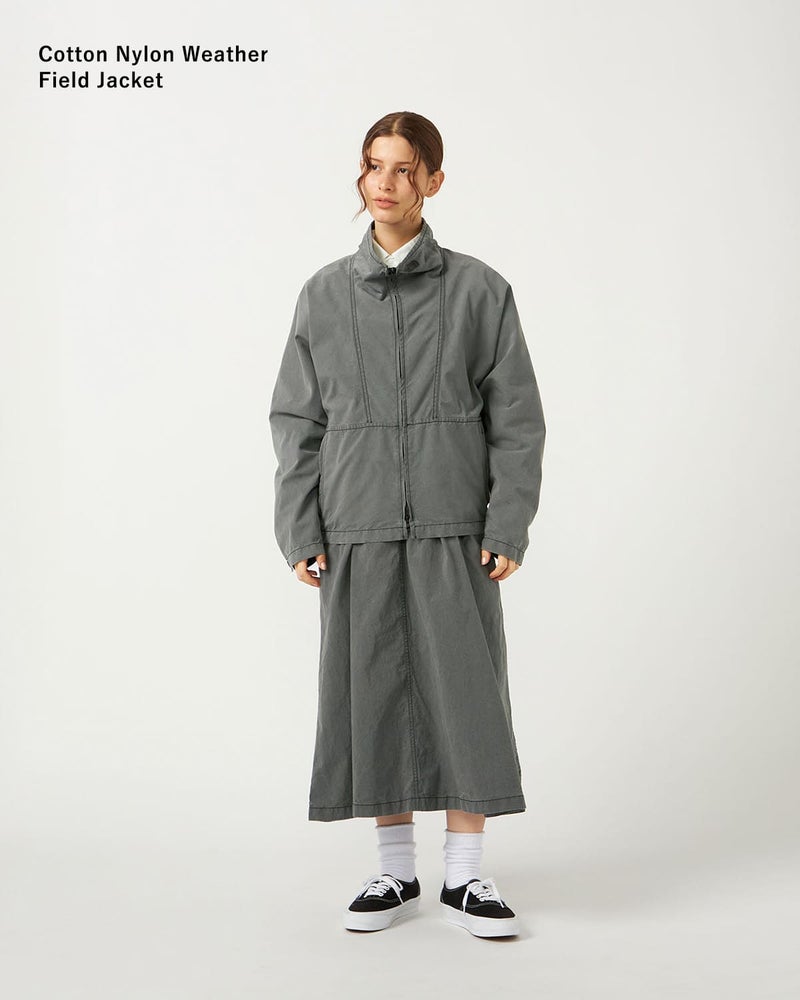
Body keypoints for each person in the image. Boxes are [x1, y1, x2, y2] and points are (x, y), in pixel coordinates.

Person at [269, 111, 546, 938]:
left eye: (402, 168)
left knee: (467, 692)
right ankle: (395, 872)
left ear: (433, 180)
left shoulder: (480, 291)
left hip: (455, 525)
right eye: (372, 166)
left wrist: (508, 522)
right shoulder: (324, 294)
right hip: (354, 525)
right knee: (373, 692)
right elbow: (297, 421)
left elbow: (518, 419)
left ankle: (466, 876)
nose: (383, 183)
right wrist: (301, 527)